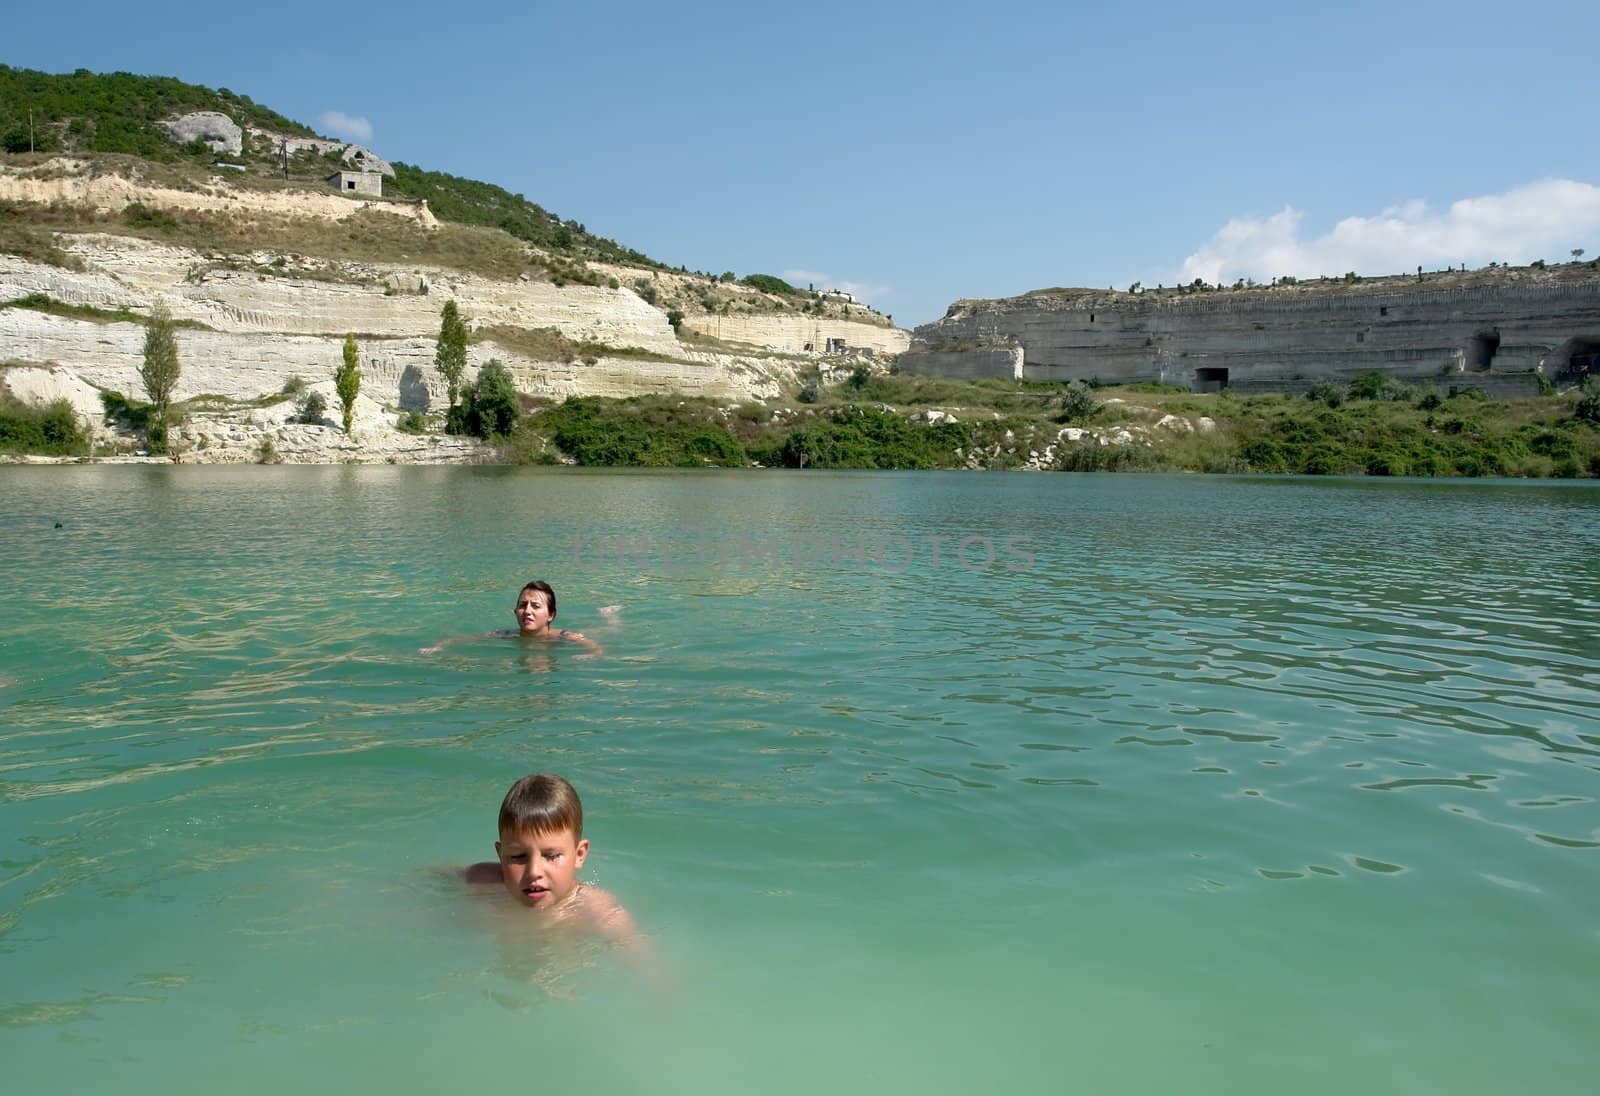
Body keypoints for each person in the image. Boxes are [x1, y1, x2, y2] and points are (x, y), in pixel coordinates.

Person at [463, 773, 638, 942]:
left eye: (551, 856)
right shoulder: (481, 880)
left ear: (579, 855)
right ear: (501, 855)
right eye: (518, 856)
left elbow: (640, 960)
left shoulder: (597, 911)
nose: (533, 871)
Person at [420, 580, 612, 655]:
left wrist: (591, 655)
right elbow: (467, 639)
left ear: (551, 615)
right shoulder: (505, 635)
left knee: (605, 628)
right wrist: (439, 645)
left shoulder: (565, 637)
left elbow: (596, 647)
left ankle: (609, 616)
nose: (527, 611)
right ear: (515, 612)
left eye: (535, 606)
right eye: (522, 606)